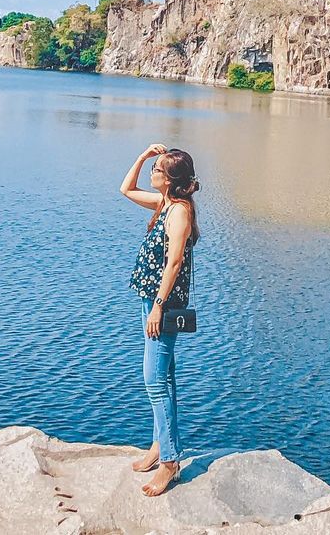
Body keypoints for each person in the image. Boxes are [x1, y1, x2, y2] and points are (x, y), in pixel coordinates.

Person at [120, 141, 201, 498]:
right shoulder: (164, 204)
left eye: (157, 169)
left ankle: (170, 461)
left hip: (162, 305)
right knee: (162, 378)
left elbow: (175, 262)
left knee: (153, 379)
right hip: (150, 301)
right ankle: (158, 445)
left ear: (170, 180)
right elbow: (125, 189)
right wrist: (142, 156)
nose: (153, 172)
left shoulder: (180, 212)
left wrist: (158, 305)